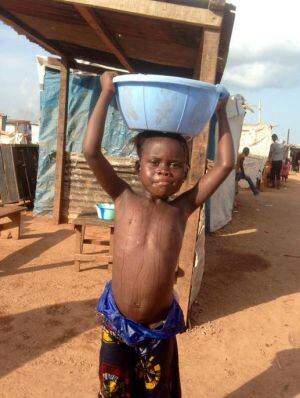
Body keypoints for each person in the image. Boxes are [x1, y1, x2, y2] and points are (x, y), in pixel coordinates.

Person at [83, 71, 234, 398]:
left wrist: (221, 112)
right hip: (116, 323)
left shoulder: (182, 207)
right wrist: (106, 93)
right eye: (154, 162)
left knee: (157, 393)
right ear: (138, 166)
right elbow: (91, 151)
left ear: (184, 174)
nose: (164, 169)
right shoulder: (122, 197)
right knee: (112, 390)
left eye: (175, 164)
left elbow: (224, 166)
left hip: (156, 330)